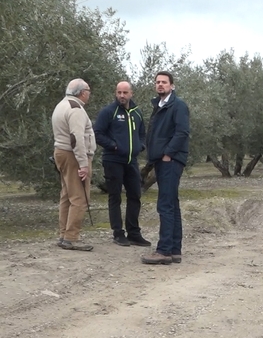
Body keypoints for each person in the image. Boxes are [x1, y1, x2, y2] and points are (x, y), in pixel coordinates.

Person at [141, 71, 190, 265]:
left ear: (172, 85)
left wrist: (168, 153)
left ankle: (164, 250)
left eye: (164, 82)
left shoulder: (177, 106)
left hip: (170, 160)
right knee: (171, 203)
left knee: (165, 205)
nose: (160, 85)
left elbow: (182, 131)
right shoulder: (159, 105)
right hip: (161, 159)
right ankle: (175, 250)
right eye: (158, 82)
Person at [94, 81, 151, 247]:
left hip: (131, 161)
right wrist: (114, 146)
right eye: (119, 92)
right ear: (115, 93)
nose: (121, 96)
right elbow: (98, 133)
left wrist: (140, 146)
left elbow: (142, 134)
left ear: (131, 93)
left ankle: (134, 233)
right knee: (115, 196)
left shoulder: (136, 112)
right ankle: (118, 233)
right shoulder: (108, 112)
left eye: (125, 92)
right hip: (113, 160)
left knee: (135, 195)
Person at [51, 78, 96, 251]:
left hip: (61, 152)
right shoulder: (76, 109)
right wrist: (83, 164)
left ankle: (64, 234)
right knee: (80, 197)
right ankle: (71, 237)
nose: (89, 94)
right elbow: (76, 138)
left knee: (66, 194)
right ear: (82, 92)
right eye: (88, 91)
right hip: (73, 156)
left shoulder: (61, 105)